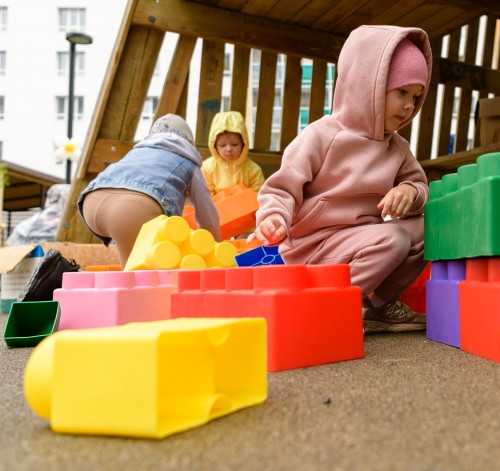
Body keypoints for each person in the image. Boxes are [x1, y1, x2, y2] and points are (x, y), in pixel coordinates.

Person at [250, 25, 432, 333]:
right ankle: (324, 305)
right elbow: (282, 187)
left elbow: (422, 188)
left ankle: (379, 305)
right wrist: (274, 218)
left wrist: (409, 192)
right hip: (313, 249)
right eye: (402, 92)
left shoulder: (397, 147)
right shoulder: (322, 135)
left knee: (430, 227)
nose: (409, 106)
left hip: (363, 242)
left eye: (416, 97)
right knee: (394, 239)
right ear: (368, 84)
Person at [79, 114, 220, 268]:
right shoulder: (188, 159)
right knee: (140, 275)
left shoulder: (139, 150)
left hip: (90, 202)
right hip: (130, 210)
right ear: (189, 141)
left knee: (128, 261)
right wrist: (213, 248)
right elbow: (206, 210)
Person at [202, 110, 266, 197]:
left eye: (234, 144)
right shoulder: (207, 168)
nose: (228, 149)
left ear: (243, 144)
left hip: (245, 208)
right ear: (214, 146)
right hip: (218, 208)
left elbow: (259, 193)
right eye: (222, 145)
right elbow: (205, 194)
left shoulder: (254, 170)